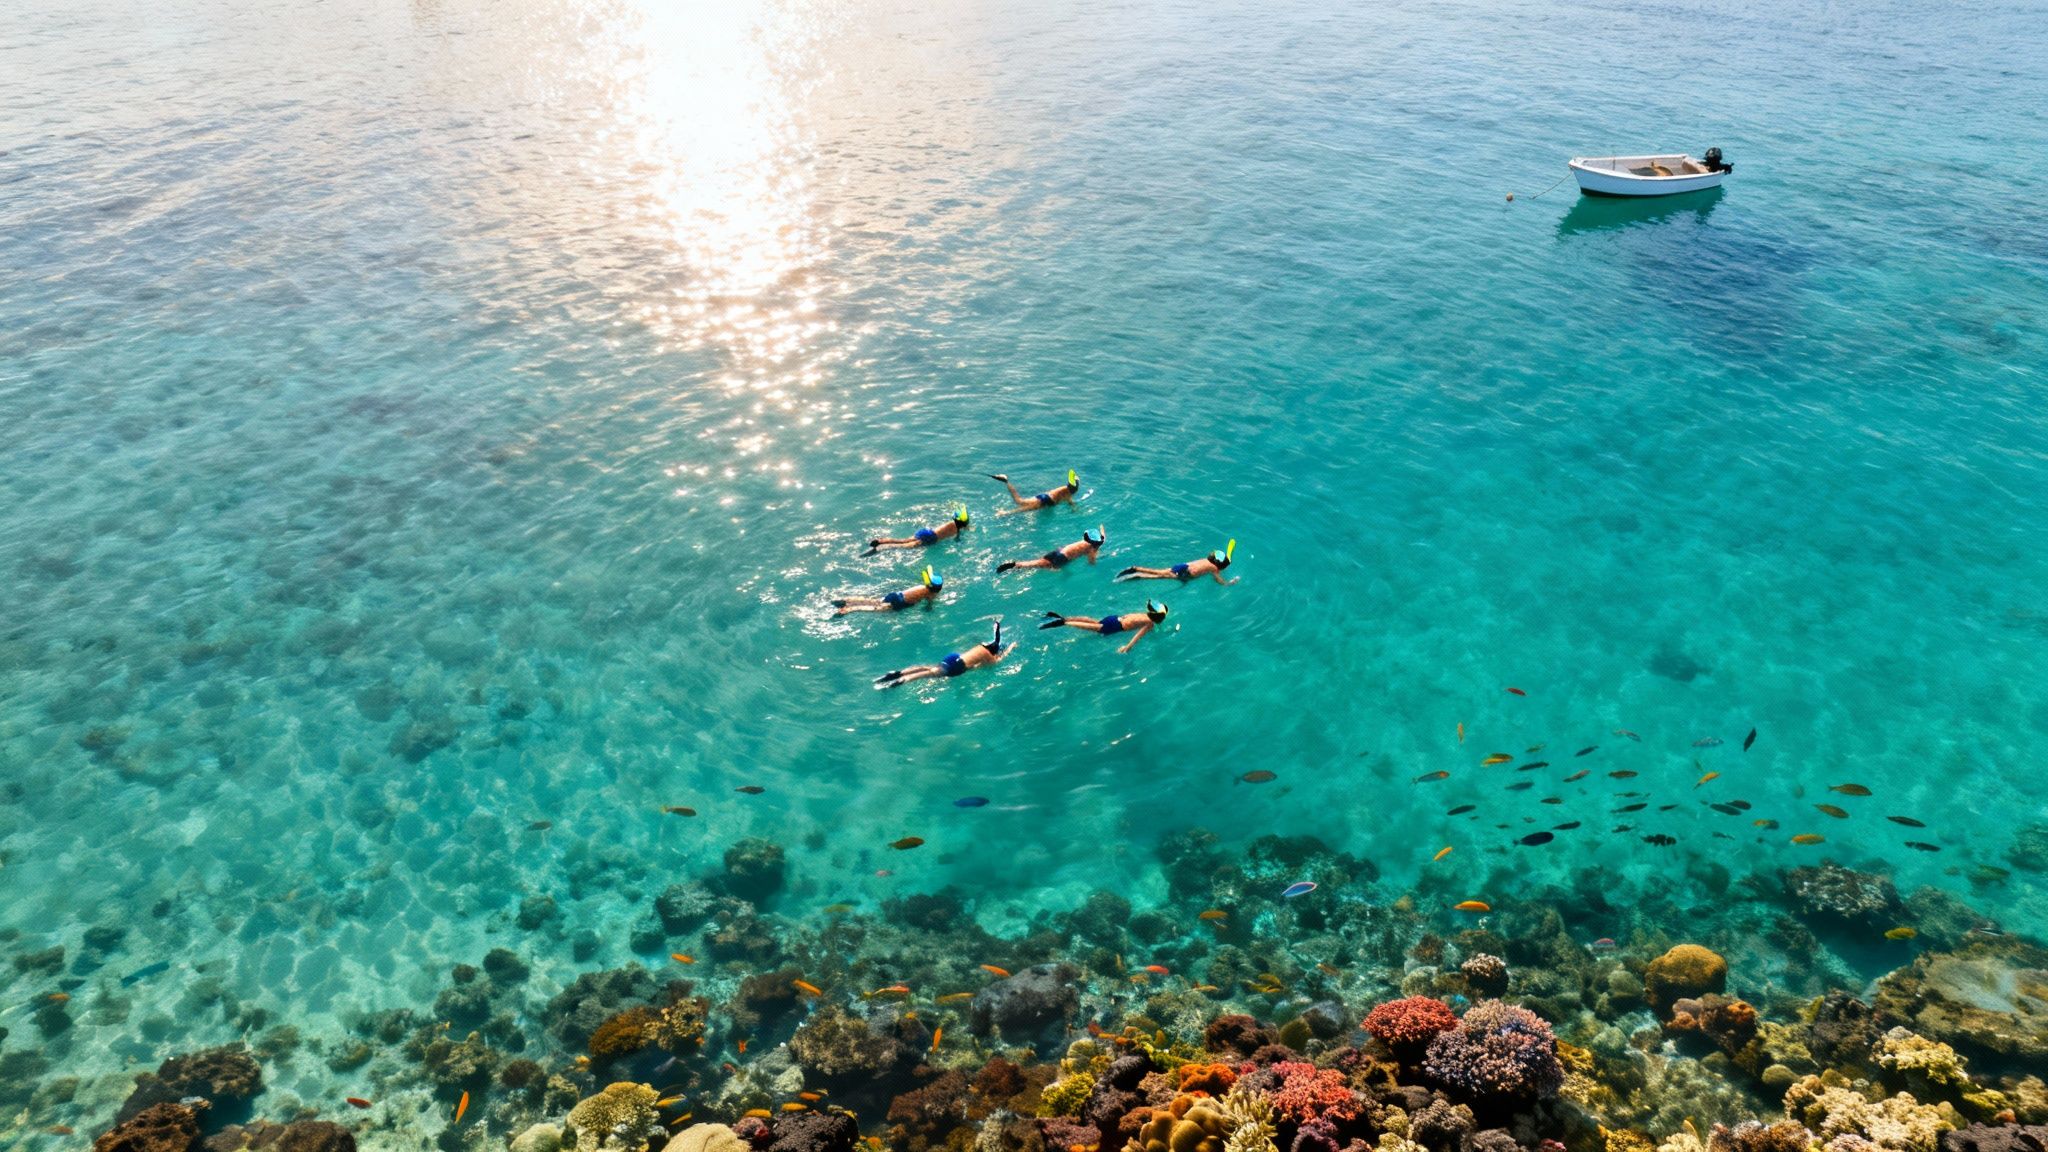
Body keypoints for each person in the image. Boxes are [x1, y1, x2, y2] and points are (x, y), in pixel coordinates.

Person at [874, 622, 1009, 688]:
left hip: (953, 657)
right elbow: (998, 661)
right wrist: (1011, 649)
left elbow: (996, 637)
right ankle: (900, 681)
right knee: (928, 674)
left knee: (929, 668)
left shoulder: (981, 646)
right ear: (994, 652)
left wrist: (996, 627)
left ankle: (898, 673)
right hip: (957, 667)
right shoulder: (989, 657)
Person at [1038, 600, 1168, 654]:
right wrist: (1127, 647)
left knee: (1092, 622)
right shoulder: (1149, 624)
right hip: (1116, 626)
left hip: (1114, 618)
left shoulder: (1145, 614)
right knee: (1092, 628)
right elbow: (1137, 636)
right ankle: (1064, 623)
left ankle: (1063, 618)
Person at [1116, 539, 1238, 584]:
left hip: (1182, 566)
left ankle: (1136, 568)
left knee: (1159, 571)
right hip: (1185, 574)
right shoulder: (1214, 568)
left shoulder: (1206, 560)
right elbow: (1219, 580)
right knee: (1160, 577)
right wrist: (1229, 583)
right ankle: (1138, 576)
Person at [833, 568, 943, 614]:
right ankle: (849, 609)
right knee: (876, 610)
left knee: (874, 601)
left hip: (896, 595)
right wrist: (929, 607)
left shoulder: (921, 586)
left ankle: (846, 600)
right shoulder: (931, 594)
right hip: (901, 603)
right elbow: (929, 605)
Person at [998, 527, 1104, 573]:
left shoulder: (1086, 541)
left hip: (1059, 551)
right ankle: (1016, 567)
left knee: (1037, 562)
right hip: (1062, 558)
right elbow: (1091, 563)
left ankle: (1014, 565)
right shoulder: (1092, 549)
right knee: (1043, 567)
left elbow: (1101, 535)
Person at [868, 507, 970, 552]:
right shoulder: (957, 530)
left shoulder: (951, 523)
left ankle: (881, 541)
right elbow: (957, 538)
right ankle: (886, 547)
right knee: (906, 546)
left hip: (927, 532)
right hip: (931, 538)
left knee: (904, 540)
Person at [990, 469, 1079, 516]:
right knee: (1020, 506)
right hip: (1046, 501)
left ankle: (1006, 482)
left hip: (1044, 497)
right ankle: (1003, 513)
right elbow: (1070, 501)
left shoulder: (1066, 490)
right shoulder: (1068, 494)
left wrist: (1073, 507)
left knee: (1020, 503)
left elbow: (1070, 501)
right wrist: (1074, 509)